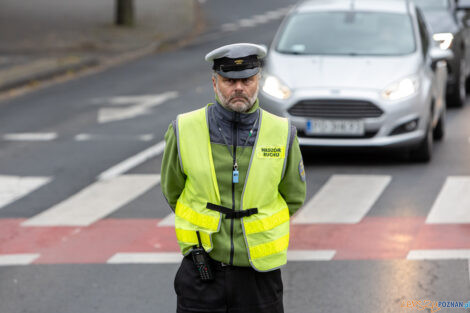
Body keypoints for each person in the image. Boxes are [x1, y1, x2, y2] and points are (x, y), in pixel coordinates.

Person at [161, 42, 306, 313]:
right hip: (202, 269)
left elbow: (293, 196)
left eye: (247, 80)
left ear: (258, 82)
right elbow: (172, 190)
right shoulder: (183, 128)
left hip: (258, 274)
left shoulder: (282, 132)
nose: (239, 88)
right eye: (229, 80)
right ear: (214, 83)